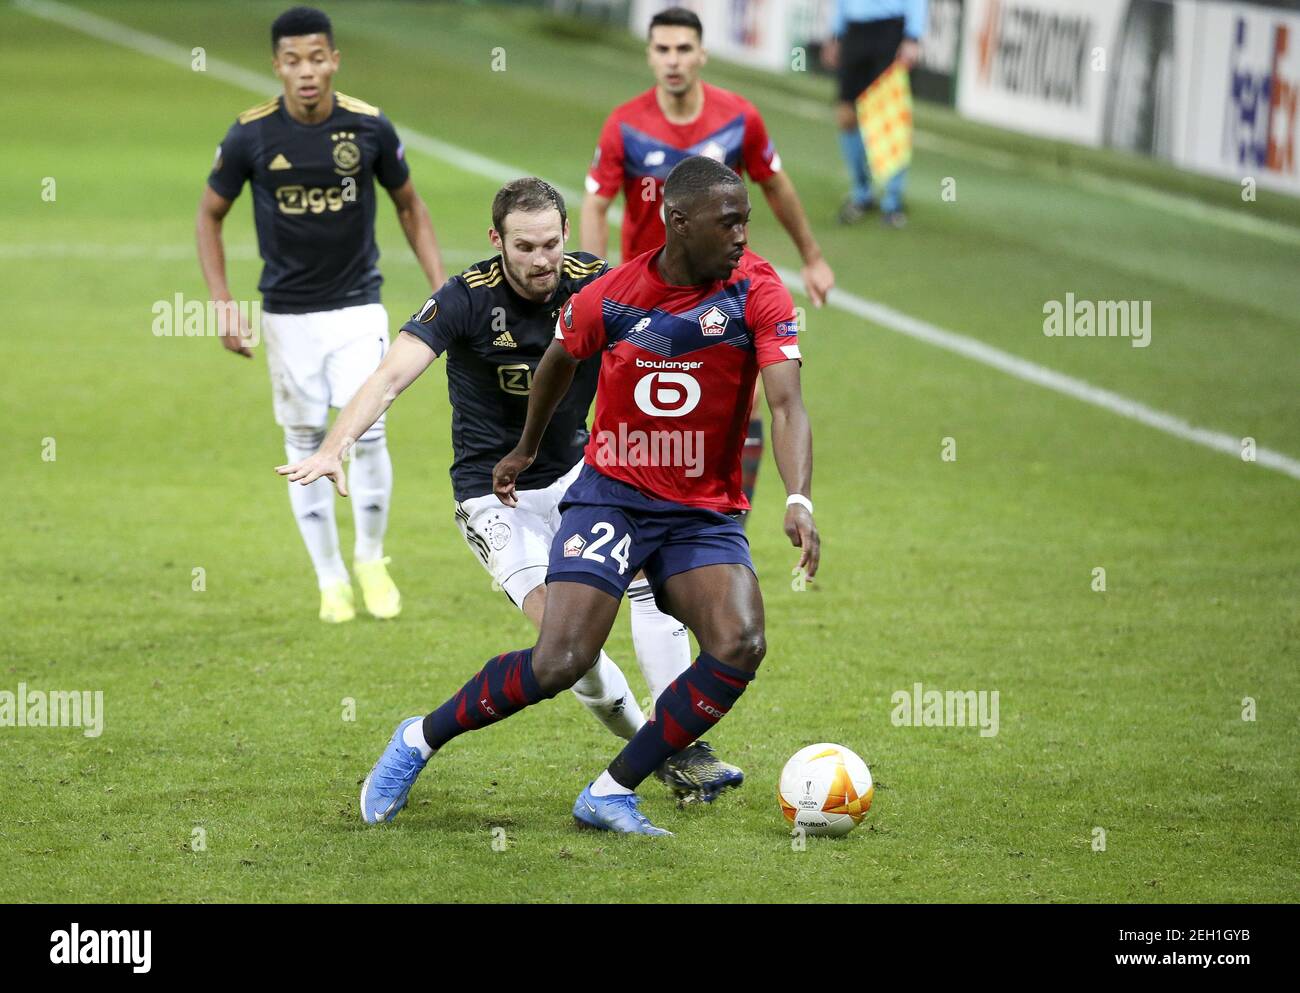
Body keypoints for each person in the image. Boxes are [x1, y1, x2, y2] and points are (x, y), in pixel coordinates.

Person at [358, 156, 819, 835]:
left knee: (740, 640)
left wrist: (798, 498)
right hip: (614, 497)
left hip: (702, 510)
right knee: (561, 658)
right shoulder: (614, 294)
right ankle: (418, 739)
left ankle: (610, 789)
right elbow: (558, 362)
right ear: (679, 222)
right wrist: (523, 448)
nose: (743, 236)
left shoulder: (759, 290)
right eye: (729, 224)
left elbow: (786, 405)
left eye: (745, 221)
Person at [277, 177, 744, 802]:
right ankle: (640, 744)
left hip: (586, 480)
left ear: (566, 237)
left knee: (650, 595)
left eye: (551, 243)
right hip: (495, 498)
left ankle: (680, 748)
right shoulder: (464, 299)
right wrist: (336, 445)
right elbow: (389, 376)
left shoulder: (597, 282)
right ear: (497, 241)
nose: (541, 260)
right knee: (567, 651)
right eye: (524, 246)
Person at [197, 6, 445, 623]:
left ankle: (370, 557)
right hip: (286, 316)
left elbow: (409, 206)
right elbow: (209, 213)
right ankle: (330, 578)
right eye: (292, 61)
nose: (306, 72)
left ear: (334, 60)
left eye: (316, 58)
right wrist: (223, 304)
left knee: (370, 431)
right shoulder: (250, 135)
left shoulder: (369, 128)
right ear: (277, 66)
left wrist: (442, 289)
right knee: (304, 442)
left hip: (358, 304)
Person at [580, 5, 833, 523]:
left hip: (724, 294)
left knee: (748, 406)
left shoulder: (739, 118)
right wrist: (596, 281)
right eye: (662, 49)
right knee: (634, 412)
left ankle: (728, 522)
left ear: (702, 54)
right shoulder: (624, 125)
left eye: (683, 49)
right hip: (644, 300)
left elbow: (775, 185)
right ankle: (634, 516)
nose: (673, 61)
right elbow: (596, 204)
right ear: (649, 54)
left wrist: (812, 256)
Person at [821, 0, 928, 227]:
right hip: (854, 29)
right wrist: (836, 34)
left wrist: (913, 36)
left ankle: (893, 202)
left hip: (890, 29)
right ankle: (862, 194)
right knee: (846, 115)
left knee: (889, 117)